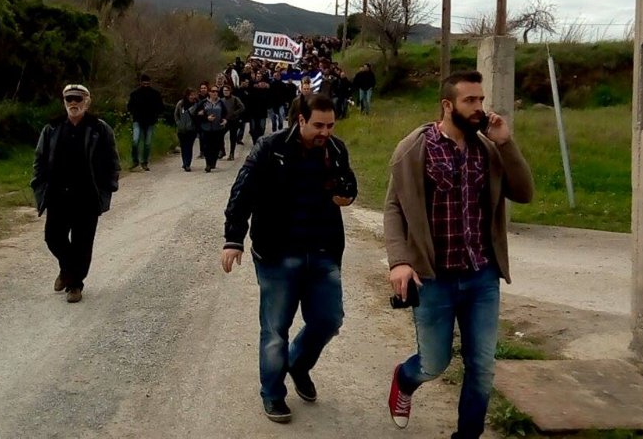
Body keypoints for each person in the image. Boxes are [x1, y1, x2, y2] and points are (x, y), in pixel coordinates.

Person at [383, 70, 534, 437]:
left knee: (482, 365)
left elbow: (524, 192)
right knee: (434, 364)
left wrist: (506, 143)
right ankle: (405, 379)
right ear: (447, 105)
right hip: (435, 278)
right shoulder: (415, 147)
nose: (479, 108)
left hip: (481, 275)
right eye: (470, 101)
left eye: (481, 100)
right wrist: (400, 260)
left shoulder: (487, 148)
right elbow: (393, 208)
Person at [221, 94, 358, 424]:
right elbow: (242, 192)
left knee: (329, 320)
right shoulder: (271, 148)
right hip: (277, 253)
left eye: (330, 125)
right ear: (301, 120)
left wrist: (346, 195)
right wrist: (233, 239)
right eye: (318, 125)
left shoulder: (336, 150)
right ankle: (273, 393)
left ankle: (298, 363)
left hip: (323, 251)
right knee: (275, 329)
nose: (325, 131)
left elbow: (349, 186)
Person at [31, 84, 121, 303]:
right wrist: (38, 184)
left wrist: (108, 186)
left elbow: (112, 161)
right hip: (57, 194)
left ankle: (75, 285)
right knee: (53, 237)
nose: (73, 103)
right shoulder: (51, 129)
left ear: (87, 101)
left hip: (87, 195)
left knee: (82, 243)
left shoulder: (100, 129)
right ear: (63, 101)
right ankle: (67, 269)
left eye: (78, 99)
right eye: (69, 99)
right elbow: (40, 159)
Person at [127, 73, 165, 170]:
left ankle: (145, 162)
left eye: (147, 84)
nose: (146, 86)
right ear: (141, 83)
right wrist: (134, 113)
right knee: (135, 141)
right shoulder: (135, 94)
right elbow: (129, 106)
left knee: (147, 143)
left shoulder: (155, 94)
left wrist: (156, 115)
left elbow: (160, 107)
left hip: (150, 121)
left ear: (150, 83)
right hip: (138, 120)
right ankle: (135, 161)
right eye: (144, 84)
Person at [195, 86, 227, 172]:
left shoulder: (221, 103)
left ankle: (213, 162)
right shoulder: (204, 103)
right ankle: (208, 164)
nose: (215, 93)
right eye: (213, 91)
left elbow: (225, 114)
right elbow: (197, 114)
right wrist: (206, 118)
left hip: (217, 128)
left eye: (216, 91)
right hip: (206, 128)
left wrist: (224, 120)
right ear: (209, 93)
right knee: (206, 146)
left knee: (216, 146)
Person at [174, 88, 199, 172]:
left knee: (189, 146)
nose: (192, 97)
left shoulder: (196, 104)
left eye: (193, 95)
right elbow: (176, 114)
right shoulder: (181, 104)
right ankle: (184, 162)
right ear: (187, 95)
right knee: (183, 147)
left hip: (191, 129)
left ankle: (188, 163)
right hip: (181, 129)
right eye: (191, 95)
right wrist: (179, 123)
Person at [220, 83, 246, 160]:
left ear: (230, 91)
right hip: (225, 121)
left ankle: (232, 153)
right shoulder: (221, 100)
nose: (225, 92)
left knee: (233, 137)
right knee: (220, 135)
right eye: (224, 90)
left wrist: (235, 113)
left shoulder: (235, 99)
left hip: (234, 121)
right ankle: (222, 150)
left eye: (227, 90)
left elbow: (242, 107)